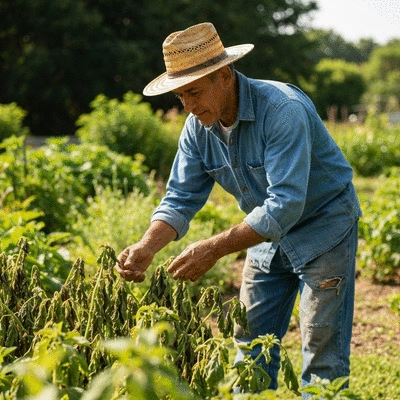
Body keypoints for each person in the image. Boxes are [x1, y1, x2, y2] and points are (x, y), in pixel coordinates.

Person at [115, 22, 361, 395]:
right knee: (249, 348)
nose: (190, 106)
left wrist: (213, 248)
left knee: (321, 353)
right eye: (181, 96)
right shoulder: (197, 128)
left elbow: (286, 203)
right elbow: (180, 197)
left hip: (323, 226)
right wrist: (147, 246)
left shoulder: (282, 110)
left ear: (225, 76)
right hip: (264, 234)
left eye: (195, 92)